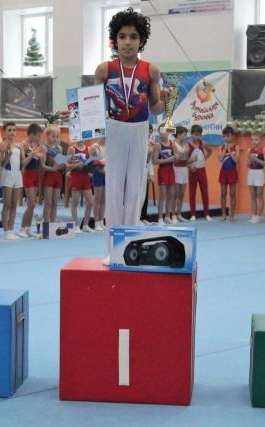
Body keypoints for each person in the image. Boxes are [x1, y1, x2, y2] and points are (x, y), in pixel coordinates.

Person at [92, 7, 164, 264]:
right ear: (114, 40)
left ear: (141, 40)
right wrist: (79, 118)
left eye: (133, 37)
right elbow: (92, 107)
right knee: (113, 189)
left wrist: (168, 100)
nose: (128, 42)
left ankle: (131, 246)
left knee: (135, 189)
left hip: (140, 129)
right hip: (115, 128)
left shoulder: (151, 70)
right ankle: (113, 249)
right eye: (122, 36)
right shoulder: (104, 70)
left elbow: (156, 108)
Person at [18, 123, 45, 237]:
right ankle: (22, 228)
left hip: (36, 174)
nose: (39, 138)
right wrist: (32, 154)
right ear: (32, 134)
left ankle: (28, 227)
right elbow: (23, 163)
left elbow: (42, 159)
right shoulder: (23, 145)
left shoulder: (37, 145)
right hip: (28, 175)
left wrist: (41, 153)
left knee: (33, 205)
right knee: (31, 203)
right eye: (38, 136)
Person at [0, 122, 24, 240]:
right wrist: (7, 154)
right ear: (4, 132)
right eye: (9, 130)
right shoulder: (2, 145)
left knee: (14, 204)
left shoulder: (20, 146)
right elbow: (2, 164)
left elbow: (23, 163)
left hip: (17, 175)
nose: (12, 132)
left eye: (14, 130)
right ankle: (6, 230)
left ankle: (11, 229)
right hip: (7, 174)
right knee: (7, 204)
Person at [67, 138, 94, 232]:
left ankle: (85, 225)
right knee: (75, 202)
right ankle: (75, 226)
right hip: (76, 176)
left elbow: (90, 164)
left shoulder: (89, 149)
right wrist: (76, 165)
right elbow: (67, 165)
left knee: (90, 202)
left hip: (85, 176)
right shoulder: (72, 149)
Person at [187, 124, 213, 221]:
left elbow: (210, 151)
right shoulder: (188, 146)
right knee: (192, 193)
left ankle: (207, 214)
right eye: (195, 134)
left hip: (202, 170)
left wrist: (204, 159)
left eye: (199, 135)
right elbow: (185, 160)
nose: (197, 137)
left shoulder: (203, 143)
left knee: (204, 192)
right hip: (192, 171)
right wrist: (190, 167)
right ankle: (193, 214)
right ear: (191, 134)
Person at [41, 124, 66, 224]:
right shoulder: (44, 148)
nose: (55, 138)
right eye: (53, 136)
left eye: (57, 136)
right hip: (49, 176)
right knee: (48, 203)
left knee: (55, 203)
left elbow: (61, 163)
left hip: (58, 176)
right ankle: (46, 224)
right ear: (47, 136)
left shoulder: (59, 148)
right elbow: (42, 166)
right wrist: (53, 168)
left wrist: (64, 165)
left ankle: (53, 223)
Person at [152, 128, 177, 225]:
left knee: (170, 195)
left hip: (171, 170)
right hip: (163, 170)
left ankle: (167, 216)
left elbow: (175, 158)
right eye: (162, 132)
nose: (164, 134)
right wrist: (168, 160)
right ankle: (160, 218)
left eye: (165, 132)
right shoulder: (157, 145)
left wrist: (177, 156)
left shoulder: (172, 143)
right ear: (159, 132)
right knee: (162, 196)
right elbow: (154, 161)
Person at [217, 126, 239, 222]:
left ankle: (232, 214)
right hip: (223, 172)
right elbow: (220, 158)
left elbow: (236, 160)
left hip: (232, 172)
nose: (226, 138)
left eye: (228, 136)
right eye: (224, 136)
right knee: (223, 194)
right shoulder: (221, 147)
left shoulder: (236, 147)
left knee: (232, 194)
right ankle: (223, 214)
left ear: (233, 136)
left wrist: (229, 150)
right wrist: (225, 149)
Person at [247, 131, 265, 223]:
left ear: (261, 140)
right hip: (251, 172)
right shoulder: (249, 150)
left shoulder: (264, 149)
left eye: (256, 139)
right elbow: (247, 164)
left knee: (259, 195)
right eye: (252, 140)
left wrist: (256, 159)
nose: (254, 141)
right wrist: (250, 159)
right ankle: (254, 216)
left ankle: (258, 217)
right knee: (253, 195)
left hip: (259, 172)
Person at [172, 126, 189, 222]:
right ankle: (173, 215)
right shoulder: (173, 144)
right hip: (176, 169)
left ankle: (179, 214)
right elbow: (176, 159)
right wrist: (184, 152)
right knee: (175, 194)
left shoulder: (184, 145)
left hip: (184, 169)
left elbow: (185, 160)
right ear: (178, 134)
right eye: (184, 134)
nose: (186, 136)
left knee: (181, 194)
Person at [89, 138, 107, 231]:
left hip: (106, 174)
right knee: (97, 199)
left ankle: (101, 221)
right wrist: (100, 170)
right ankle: (96, 223)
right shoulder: (94, 147)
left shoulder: (109, 146)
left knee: (103, 200)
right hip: (98, 174)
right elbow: (90, 164)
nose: (105, 137)